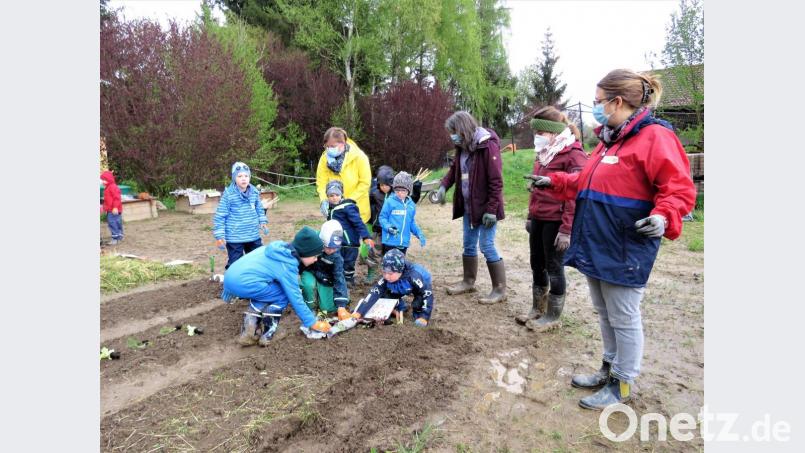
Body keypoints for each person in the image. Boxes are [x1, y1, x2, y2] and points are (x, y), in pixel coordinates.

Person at [527, 69, 696, 410]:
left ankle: (622, 383)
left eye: (598, 101)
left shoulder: (654, 137)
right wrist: (555, 182)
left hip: (625, 244)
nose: (594, 107)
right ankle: (608, 368)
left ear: (618, 102)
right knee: (604, 312)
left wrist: (663, 216)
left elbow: (679, 189)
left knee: (623, 315)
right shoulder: (609, 141)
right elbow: (586, 183)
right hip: (597, 242)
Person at [516, 106, 588, 332]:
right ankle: (538, 308)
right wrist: (530, 215)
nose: (536, 138)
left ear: (554, 132)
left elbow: (575, 193)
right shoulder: (544, 153)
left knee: (554, 267)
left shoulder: (573, 154)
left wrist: (566, 229)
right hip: (539, 217)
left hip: (557, 220)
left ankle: (553, 316)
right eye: (535, 133)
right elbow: (537, 187)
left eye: (540, 133)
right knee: (536, 263)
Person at [434, 111, 506, 304]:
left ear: (463, 129)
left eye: (454, 131)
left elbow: (496, 182)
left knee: (486, 245)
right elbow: (454, 170)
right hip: (469, 206)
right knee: (468, 243)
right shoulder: (462, 147)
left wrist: (492, 209)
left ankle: (499, 290)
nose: (452, 136)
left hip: (486, 208)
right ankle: (468, 281)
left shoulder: (487, 146)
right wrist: (443, 186)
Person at [222, 226, 332, 346]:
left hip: (230, 277)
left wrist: (228, 288)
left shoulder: (278, 250)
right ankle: (268, 333)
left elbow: (245, 266)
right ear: (305, 253)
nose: (316, 259)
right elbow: (295, 297)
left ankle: (249, 328)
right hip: (244, 283)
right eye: (315, 256)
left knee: (269, 291)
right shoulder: (288, 264)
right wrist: (311, 322)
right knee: (283, 293)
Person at [364, 166, 423, 283]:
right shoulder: (374, 193)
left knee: (391, 255)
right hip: (378, 229)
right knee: (374, 252)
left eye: (386, 185)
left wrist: (417, 190)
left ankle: (392, 274)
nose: (383, 187)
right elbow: (367, 204)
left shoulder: (396, 195)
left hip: (392, 233)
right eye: (381, 185)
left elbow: (410, 202)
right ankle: (371, 273)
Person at [352, 249, 433, 326]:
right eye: (384, 272)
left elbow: (427, 293)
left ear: (400, 270)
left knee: (418, 304)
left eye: (390, 273)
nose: (387, 276)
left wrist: (424, 317)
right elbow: (374, 292)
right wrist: (359, 312)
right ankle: (399, 307)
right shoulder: (388, 278)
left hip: (419, 287)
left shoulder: (414, 276)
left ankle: (420, 315)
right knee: (384, 295)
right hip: (399, 282)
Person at [213, 162, 268, 269]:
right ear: (234, 178)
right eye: (240, 176)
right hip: (235, 238)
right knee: (236, 264)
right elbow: (220, 215)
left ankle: (255, 281)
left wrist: (263, 221)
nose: (244, 179)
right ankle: (232, 283)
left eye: (246, 176)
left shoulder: (254, 193)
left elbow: (259, 209)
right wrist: (219, 235)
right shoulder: (228, 195)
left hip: (252, 235)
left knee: (259, 259)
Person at [316, 127, 372, 223]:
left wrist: (348, 201)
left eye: (333, 146)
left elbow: (365, 183)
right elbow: (321, 182)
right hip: (334, 211)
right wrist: (323, 200)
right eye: (327, 146)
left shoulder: (360, 157)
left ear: (343, 143)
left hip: (357, 211)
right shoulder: (324, 158)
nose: (329, 149)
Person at [325, 180, 375, 287]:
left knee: (349, 262)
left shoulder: (347, 207)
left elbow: (358, 222)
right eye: (331, 195)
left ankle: (348, 280)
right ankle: (338, 279)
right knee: (338, 261)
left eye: (337, 195)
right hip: (337, 242)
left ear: (341, 194)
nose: (334, 197)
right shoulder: (331, 208)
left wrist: (366, 237)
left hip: (349, 242)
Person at [300, 220, 351, 321]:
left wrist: (341, 306)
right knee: (308, 285)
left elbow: (338, 278)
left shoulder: (337, 257)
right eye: (329, 247)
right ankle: (310, 308)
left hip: (325, 277)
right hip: (309, 271)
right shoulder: (311, 241)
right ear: (321, 241)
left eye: (335, 248)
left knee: (327, 308)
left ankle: (334, 302)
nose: (332, 251)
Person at [378, 172, 425, 256]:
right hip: (390, 242)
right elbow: (382, 218)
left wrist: (419, 233)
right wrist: (389, 227)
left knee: (400, 265)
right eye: (397, 190)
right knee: (389, 267)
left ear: (408, 190)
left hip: (404, 243)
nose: (400, 193)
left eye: (403, 190)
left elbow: (411, 222)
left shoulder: (411, 205)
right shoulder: (390, 202)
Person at [100, 170, 124, 245]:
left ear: (109, 179)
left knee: (112, 223)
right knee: (117, 222)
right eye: (102, 180)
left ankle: (115, 238)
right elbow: (108, 199)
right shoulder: (108, 187)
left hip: (113, 209)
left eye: (104, 180)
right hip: (112, 209)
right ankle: (119, 236)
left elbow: (117, 198)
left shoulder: (112, 187)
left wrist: (115, 207)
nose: (103, 182)